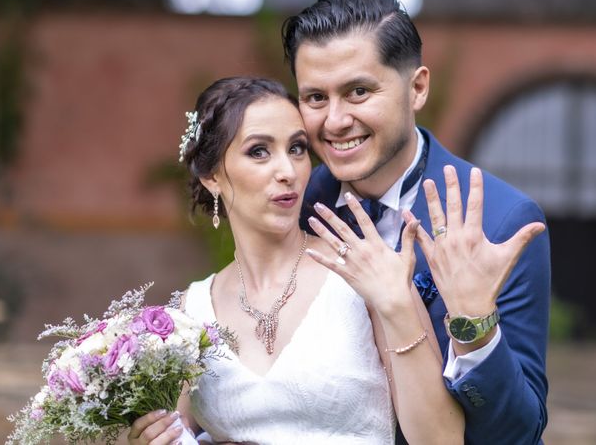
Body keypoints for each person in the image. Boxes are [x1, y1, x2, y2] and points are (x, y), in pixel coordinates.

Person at [127, 77, 464, 445]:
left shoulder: (364, 272)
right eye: (259, 151)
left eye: (297, 148)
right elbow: (176, 433)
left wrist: (397, 306)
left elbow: (442, 438)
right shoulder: (188, 314)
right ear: (212, 177)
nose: (287, 170)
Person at [282, 0, 551, 444]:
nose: (334, 121)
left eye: (358, 91)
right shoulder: (299, 206)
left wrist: (474, 327)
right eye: (315, 98)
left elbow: (518, 434)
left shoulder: (501, 222)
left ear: (418, 87)